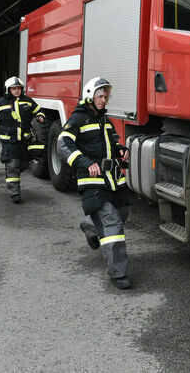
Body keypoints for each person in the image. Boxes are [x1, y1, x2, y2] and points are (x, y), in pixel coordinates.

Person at [57, 76, 132, 289]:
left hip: (111, 179)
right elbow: (63, 145)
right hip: (91, 181)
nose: (104, 99)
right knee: (112, 223)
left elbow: (112, 143)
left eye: (106, 96)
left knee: (123, 212)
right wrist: (84, 162)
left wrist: (120, 150)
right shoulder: (78, 119)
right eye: (100, 95)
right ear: (90, 95)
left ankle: (90, 226)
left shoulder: (103, 120)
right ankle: (118, 273)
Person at [0, 76, 45, 204]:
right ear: (8, 90)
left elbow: (38, 110)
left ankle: (11, 172)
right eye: (14, 89)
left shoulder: (28, 101)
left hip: (25, 141)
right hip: (9, 142)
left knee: (24, 164)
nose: (16, 91)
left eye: (19, 88)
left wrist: (40, 116)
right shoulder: (0, 103)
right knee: (13, 165)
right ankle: (15, 193)